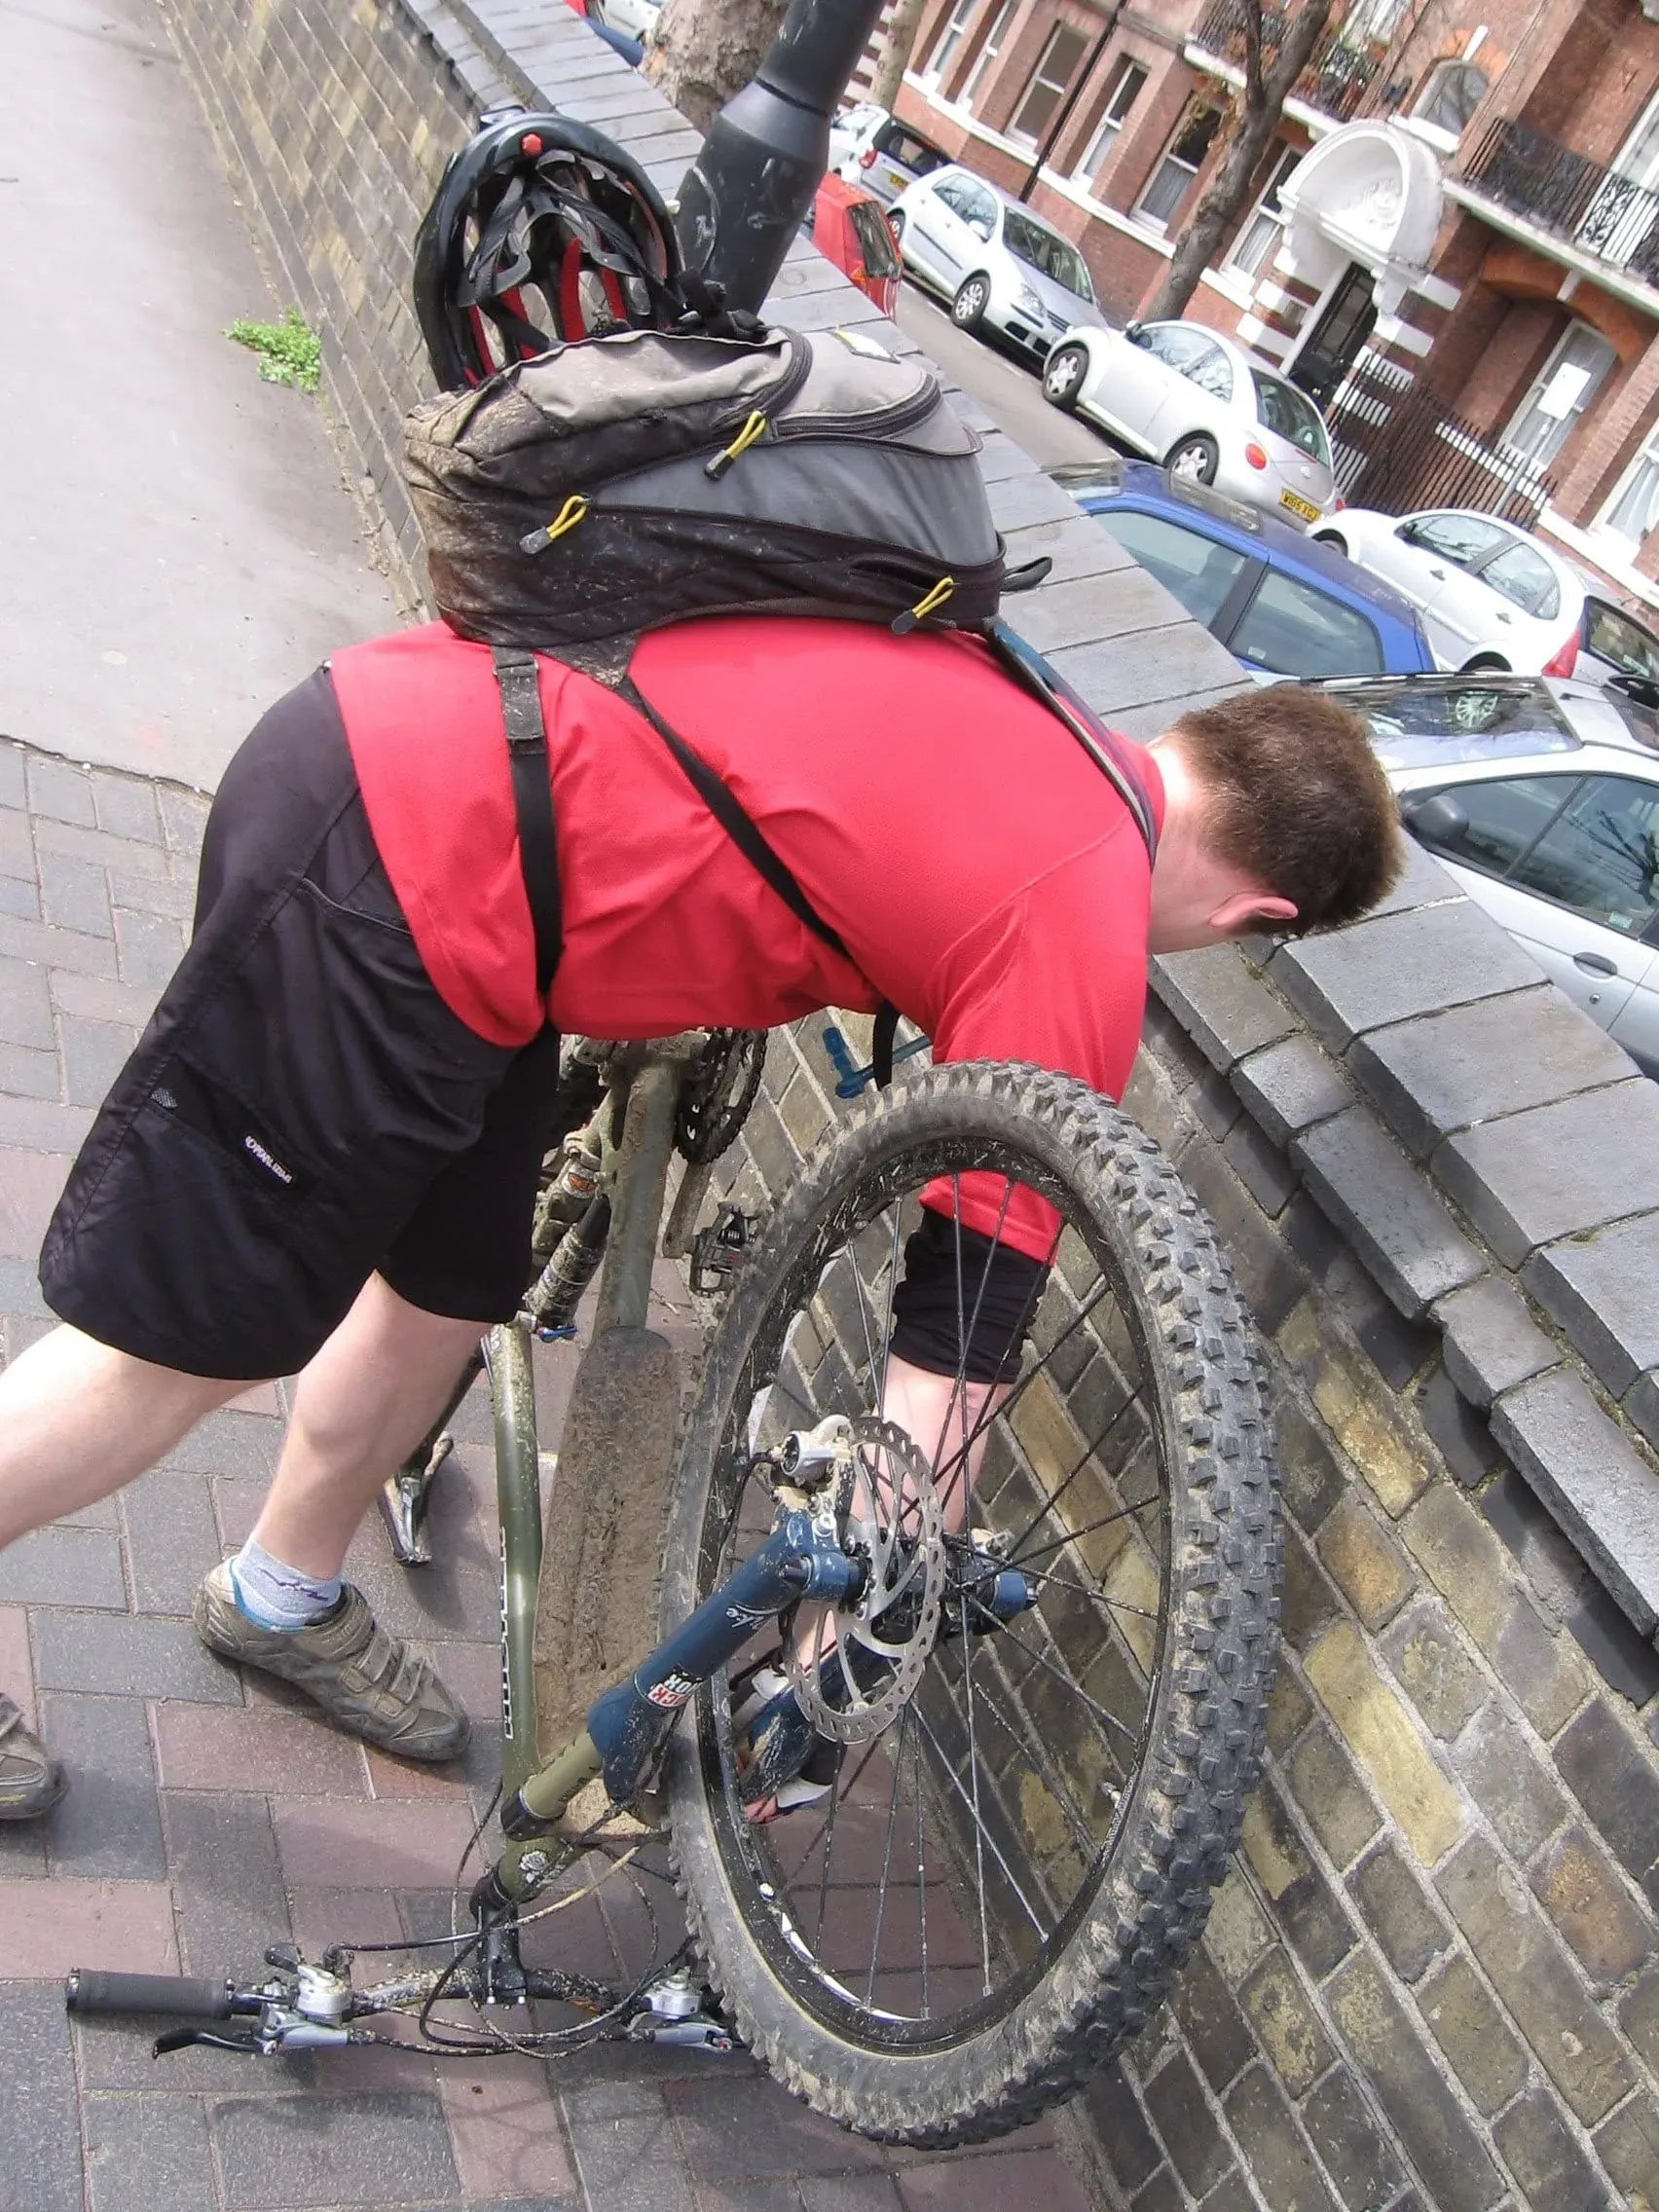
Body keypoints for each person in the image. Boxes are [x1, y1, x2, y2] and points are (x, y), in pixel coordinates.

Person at [0, 612, 1401, 1821]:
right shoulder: (1079, 919)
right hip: (411, 863)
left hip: (436, 813)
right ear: (1257, 914)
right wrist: (843, 1658)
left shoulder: (1028, 697)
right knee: (192, 1337)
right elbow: (953, 1347)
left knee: (447, 1283)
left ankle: (278, 1595)